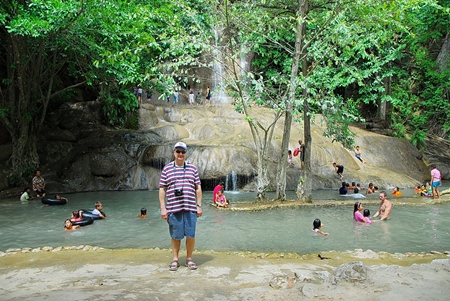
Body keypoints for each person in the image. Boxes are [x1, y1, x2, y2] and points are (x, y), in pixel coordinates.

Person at [159, 142, 202, 271]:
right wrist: (163, 207)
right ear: (174, 152)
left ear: (185, 153)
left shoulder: (192, 168)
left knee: (190, 234)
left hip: (190, 207)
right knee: (175, 235)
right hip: (173, 207)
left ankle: (189, 259)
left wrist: (199, 205)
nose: (180, 154)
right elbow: (162, 189)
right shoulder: (167, 169)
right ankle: (175, 259)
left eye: (183, 152)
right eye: (178, 151)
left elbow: (198, 188)